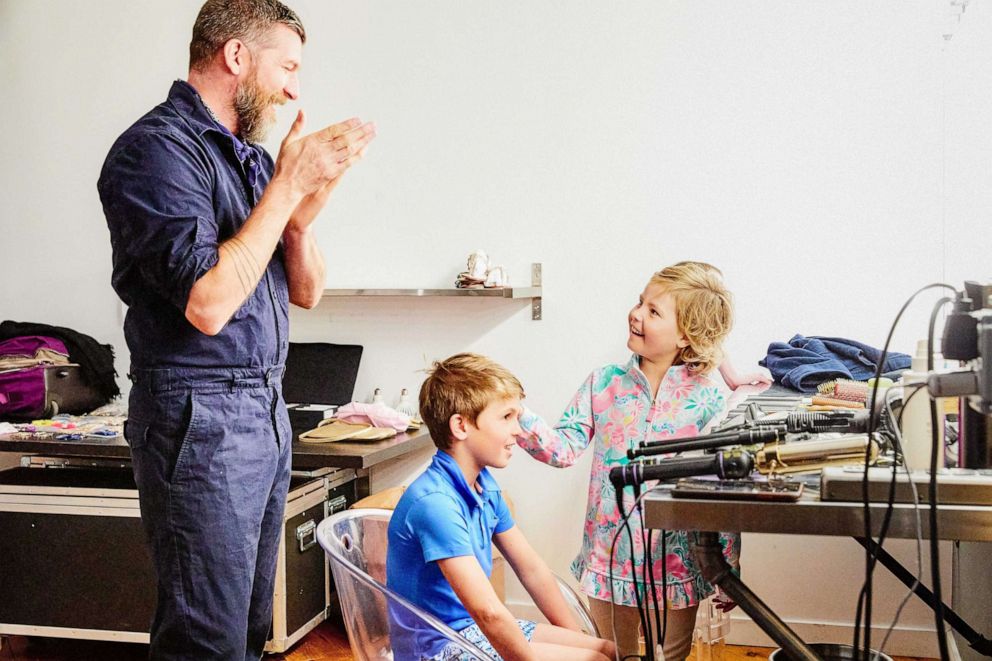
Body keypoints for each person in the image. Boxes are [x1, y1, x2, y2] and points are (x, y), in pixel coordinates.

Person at [97, 1, 376, 658]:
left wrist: (301, 216)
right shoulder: (154, 152)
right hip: (200, 414)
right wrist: (286, 187)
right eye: (287, 66)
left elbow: (306, 291)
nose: (293, 89)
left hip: (262, 407)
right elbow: (209, 303)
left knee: (250, 629)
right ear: (236, 56)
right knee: (207, 639)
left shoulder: (250, 163)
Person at [515, 262, 742, 661]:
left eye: (654, 311)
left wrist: (727, 568)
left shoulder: (708, 402)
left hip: (677, 562)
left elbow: (719, 491)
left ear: (685, 334)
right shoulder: (603, 383)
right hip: (609, 559)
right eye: (641, 302)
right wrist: (514, 416)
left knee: (672, 656)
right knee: (613, 654)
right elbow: (562, 448)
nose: (636, 314)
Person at [386, 353, 616, 661]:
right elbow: (488, 613)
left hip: (471, 631)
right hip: (437, 650)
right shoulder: (435, 504)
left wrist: (575, 640)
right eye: (506, 417)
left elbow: (532, 570)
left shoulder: (483, 486)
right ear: (461, 425)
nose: (519, 430)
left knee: (607, 651)